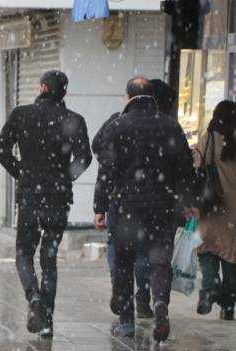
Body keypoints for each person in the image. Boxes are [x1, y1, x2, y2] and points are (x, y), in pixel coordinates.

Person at [94, 77, 198, 341]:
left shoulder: (117, 126)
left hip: (126, 206)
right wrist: (188, 203)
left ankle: (127, 322)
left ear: (128, 96)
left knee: (124, 263)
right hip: (162, 205)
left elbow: (106, 171)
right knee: (159, 259)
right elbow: (186, 169)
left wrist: (100, 207)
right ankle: (160, 303)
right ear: (152, 96)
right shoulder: (170, 126)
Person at [0, 70, 92, 338]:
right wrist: (63, 178)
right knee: (49, 258)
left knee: (24, 253)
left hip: (29, 196)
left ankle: (34, 298)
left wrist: (22, 172)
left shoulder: (21, 114)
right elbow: (84, 158)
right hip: (58, 199)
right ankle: (46, 321)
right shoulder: (74, 120)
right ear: (64, 93)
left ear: (42, 87)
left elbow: (0, 148)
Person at [92, 108, 153, 320]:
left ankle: (118, 288)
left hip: (121, 198)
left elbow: (96, 145)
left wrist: (113, 160)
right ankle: (143, 298)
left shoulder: (116, 120)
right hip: (150, 198)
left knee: (116, 246)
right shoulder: (159, 123)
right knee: (144, 249)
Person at [192, 100, 236, 321]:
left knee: (207, 249)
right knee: (231, 255)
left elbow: (197, 165)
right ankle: (228, 306)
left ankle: (210, 287)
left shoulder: (208, 137)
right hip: (233, 209)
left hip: (212, 204)